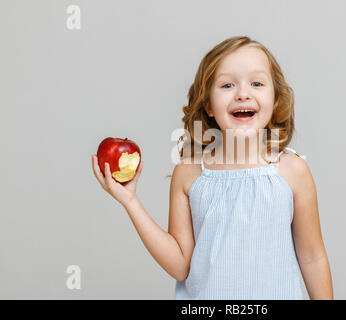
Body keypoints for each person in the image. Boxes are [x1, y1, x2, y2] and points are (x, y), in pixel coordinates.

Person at [92, 36, 333, 300]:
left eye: (257, 83)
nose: (243, 93)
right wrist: (131, 202)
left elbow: (312, 257)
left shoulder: (292, 171)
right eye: (227, 85)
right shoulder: (189, 174)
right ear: (207, 104)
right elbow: (180, 265)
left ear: (275, 99)